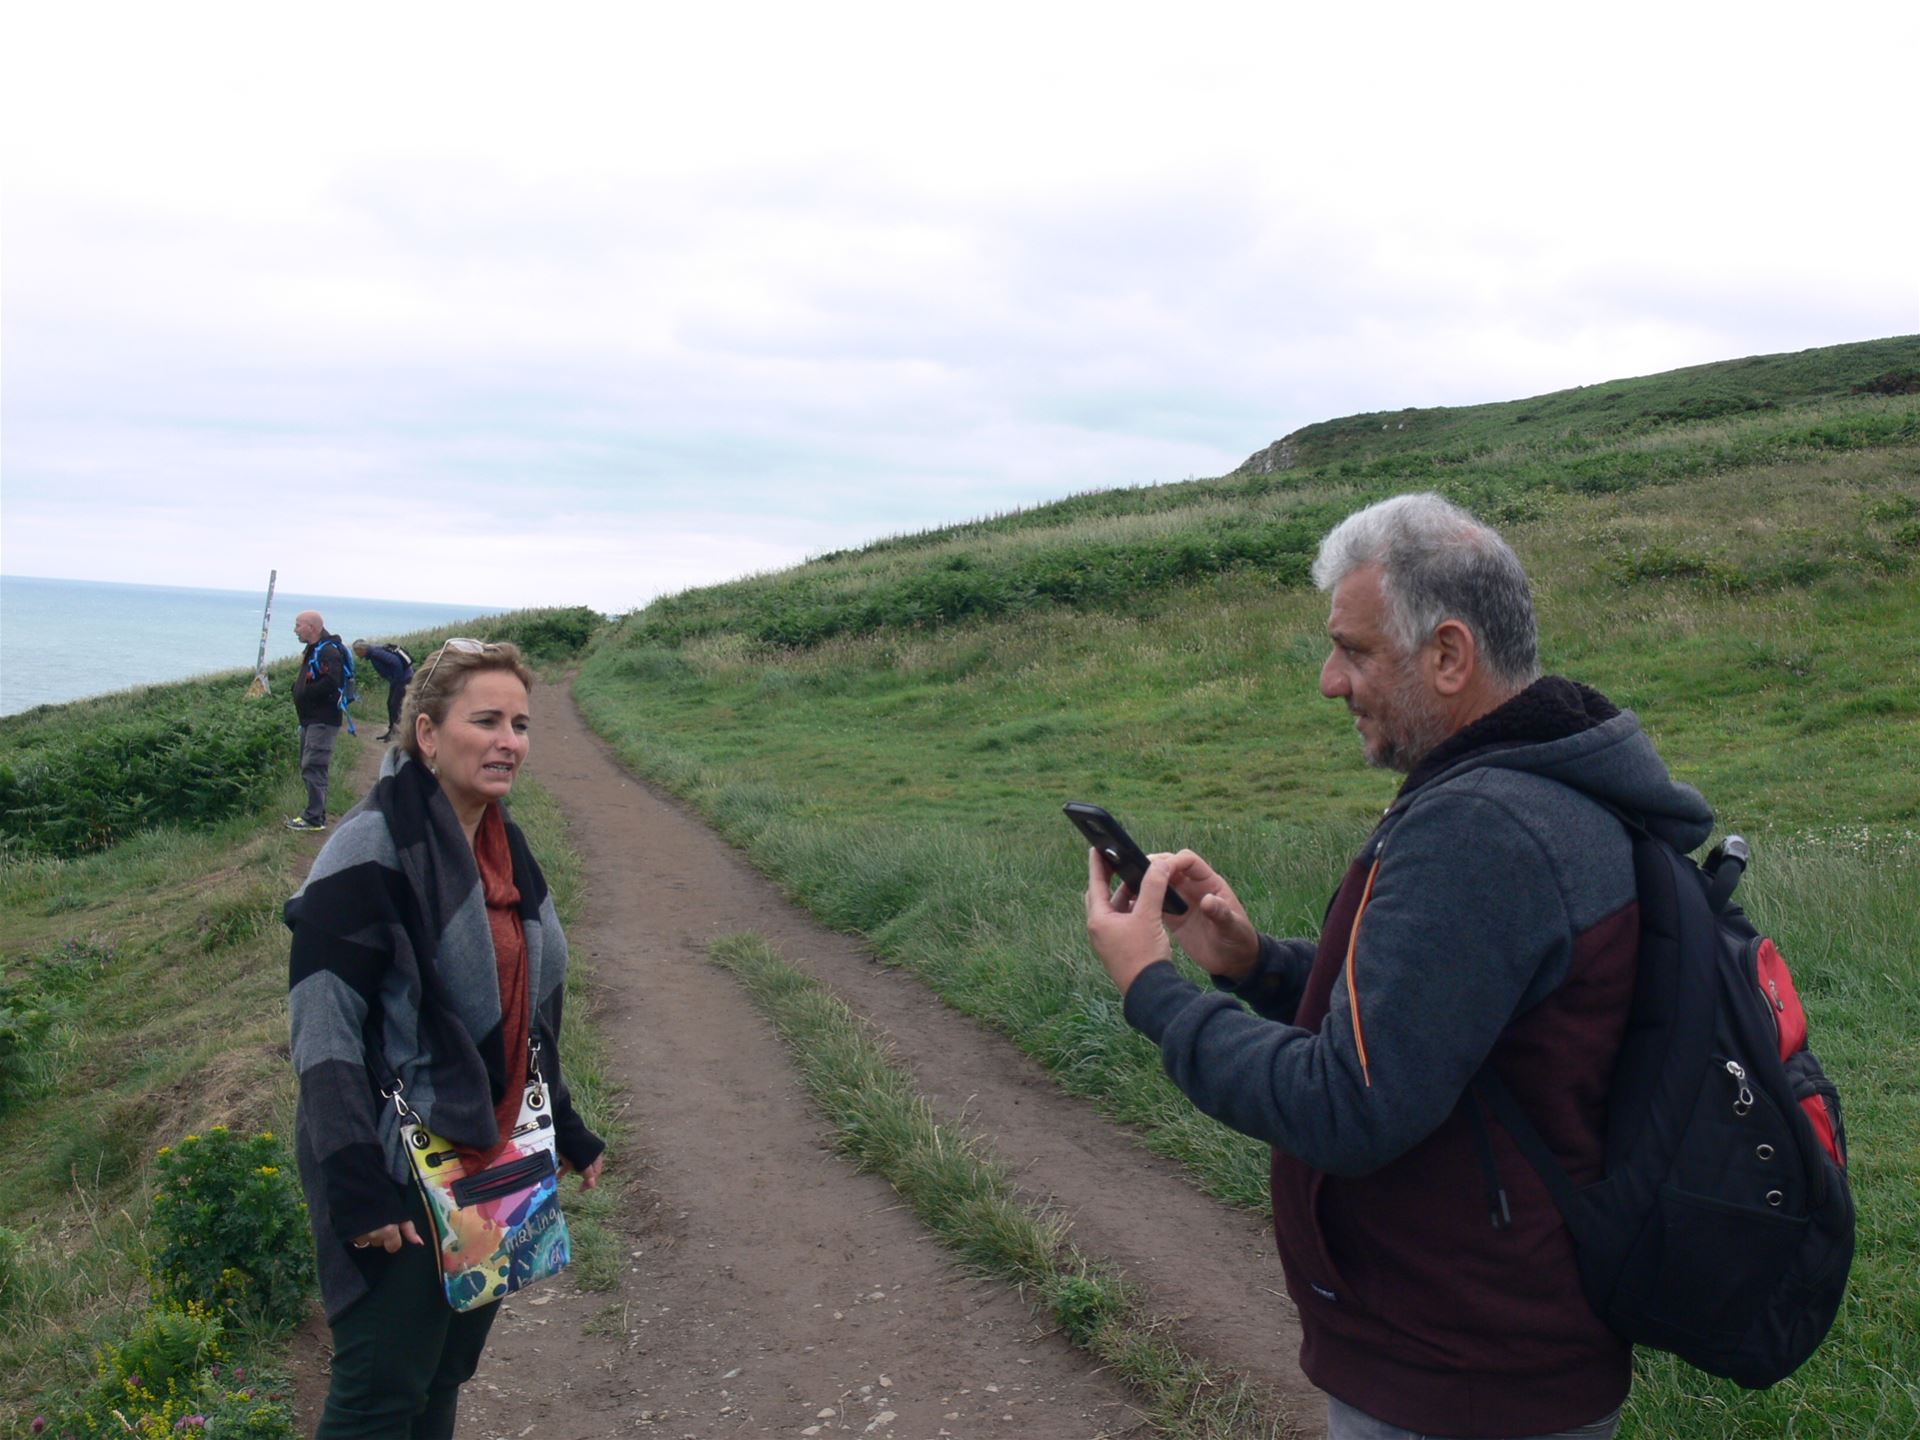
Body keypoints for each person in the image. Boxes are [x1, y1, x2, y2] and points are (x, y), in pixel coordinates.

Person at [1083, 493, 1713, 1440]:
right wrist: (1255, 968)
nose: (1331, 682)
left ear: (1450, 656)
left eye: (1357, 650)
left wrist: (1153, 989)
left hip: (1463, 1378)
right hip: (1494, 1348)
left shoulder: (1484, 829)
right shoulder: (1542, 791)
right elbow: (1439, 1026)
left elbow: (1349, 1105)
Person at [285, 639, 606, 1439]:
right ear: (426, 735)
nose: (510, 741)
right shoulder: (367, 850)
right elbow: (322, 1030)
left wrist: (562, 1120)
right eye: (487, 720)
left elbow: (529, 1006)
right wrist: (357, 1180)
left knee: (442, 1373)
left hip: (495, 1156)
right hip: (395, 1165)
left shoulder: (505, 847)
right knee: (378, 1392)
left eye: (522, 724)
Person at [287, 610, 348, 832]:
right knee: (309, 764)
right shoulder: (315, 649)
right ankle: (315, 813)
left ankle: (314, 818)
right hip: (311, 720)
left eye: (298, 625)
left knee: (314, 765)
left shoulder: (328, 652)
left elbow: (332, 683)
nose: (295, 630)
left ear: (311, 627)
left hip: (322, 720)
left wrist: (307, 692)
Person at [353, 639, 416, 741]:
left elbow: (395, 662)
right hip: (399, 679)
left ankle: (396, 732)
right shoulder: (373, 653)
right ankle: (392, 730)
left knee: (394, 704)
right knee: (391, 704)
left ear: (361, 650)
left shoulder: (375, 653)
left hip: (403, 679)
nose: (356, 655)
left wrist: (397, 680)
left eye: (356, 652)